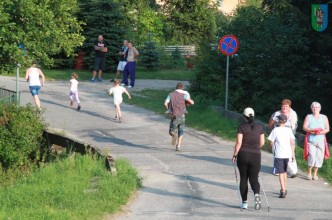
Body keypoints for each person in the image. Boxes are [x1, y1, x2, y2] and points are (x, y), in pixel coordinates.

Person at [232, 107, 264, 210]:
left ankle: (244, 203)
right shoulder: (260, 127)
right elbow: (262, 143)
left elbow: (239, 143)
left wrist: (234, 155)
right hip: (256, 155)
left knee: (244, 178)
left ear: (244, 116)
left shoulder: (241, 127)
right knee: (254, 178)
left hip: (243, 154)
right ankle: (256, 195)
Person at [268, 114, 295, 198]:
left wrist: (267, 147)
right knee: (284, 171)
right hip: (287, 154)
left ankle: (282, 190)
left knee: (280, 172)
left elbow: (271, 142)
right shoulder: (289, 130)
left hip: (279, 154)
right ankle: (284, 188)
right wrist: (293, 153)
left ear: (278, 121)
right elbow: (292, 142)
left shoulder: (275, 130)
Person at [268, 99, 298, 177]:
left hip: (289, 136)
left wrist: (292, 138)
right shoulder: (276, 114)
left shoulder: (293, 114)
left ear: (289, 107)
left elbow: (294, 126)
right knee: (276, 153)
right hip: (278, 135)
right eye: (283, 106)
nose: (284, 108)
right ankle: (277, 170)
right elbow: (270, 123)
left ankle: (293, 171)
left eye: (286, 106)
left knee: (291, 153)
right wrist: (274, 131)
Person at [303, 102, 330, 180]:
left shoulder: (324, 117)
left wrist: (319, 132)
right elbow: (304, 127)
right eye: (313, 107)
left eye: (317, 107)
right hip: (311, 140)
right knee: (312, 156)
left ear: (320, 108)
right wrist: (312, 131)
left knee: (319, 157)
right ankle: (309, 172)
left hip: (321, 140)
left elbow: (327, 129)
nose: (315, 109)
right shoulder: (309, 117)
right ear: (311, 108)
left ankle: (315, 174)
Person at [164, 83, 194, 151]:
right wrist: (192, 101)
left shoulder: (170, 94)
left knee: (171, 131)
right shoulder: (184, 95)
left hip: (174, 116)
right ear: (182, 88)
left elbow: (165, 103)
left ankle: (174, 135)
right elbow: (191, 103)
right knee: (181, 130)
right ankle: (178, 146)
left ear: (176, 88)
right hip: (182, 115)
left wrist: (169, 111)